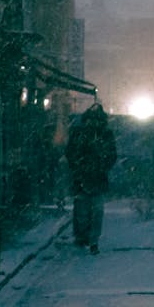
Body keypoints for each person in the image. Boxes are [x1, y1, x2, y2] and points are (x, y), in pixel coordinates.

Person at [65, 102, 117, 255]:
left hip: (87, 178)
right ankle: (89, 239)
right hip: (93, 177)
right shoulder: (103, 135)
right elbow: (111, 155)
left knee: (87, 211)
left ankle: (87, 238)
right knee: (92, 211)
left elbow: (70, 152)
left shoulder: (82, 133)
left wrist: (79, 166)